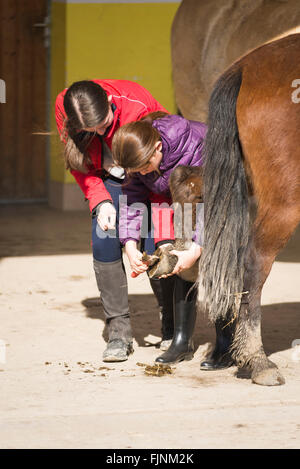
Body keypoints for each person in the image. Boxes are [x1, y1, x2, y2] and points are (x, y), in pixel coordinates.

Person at [55, 79, 173, 362]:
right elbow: (78, 163)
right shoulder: (65, 107)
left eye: (103, 126)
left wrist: (152, 221)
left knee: (152, 245)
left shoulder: (138, 106)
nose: (98, 133)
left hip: (145, 178)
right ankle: (119, 331)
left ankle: (171, 323)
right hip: (106, 181)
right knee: (104, 237)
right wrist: (100, 200)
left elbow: (160, 165)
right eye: (88, 130)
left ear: (110, 101)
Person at [112, 113, 206, 364]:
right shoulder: (141, 158)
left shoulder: (196, 146)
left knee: (201, 255)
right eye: (136, 170)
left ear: (158, 147)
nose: (141, 172)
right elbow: (134, 200)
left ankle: (227, 341)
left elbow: (213, 203)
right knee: (171, 256)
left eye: (143, 168)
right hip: (169, 202)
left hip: (214, 199)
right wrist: (130, 245)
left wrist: (196, 247)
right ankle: (180, 338)